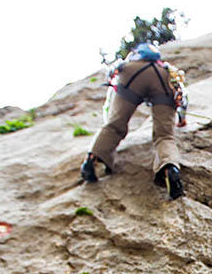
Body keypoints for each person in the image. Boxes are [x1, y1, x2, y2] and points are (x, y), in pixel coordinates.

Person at [81, 42, 188, 200]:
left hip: (130, 75)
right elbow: (182, 97)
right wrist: (181, 119)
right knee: (164, 135)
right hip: (161, 79)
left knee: (114, 126)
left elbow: (110, 102)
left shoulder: (129, 62)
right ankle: (170, 168)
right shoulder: (165, 68)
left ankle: (92, 159)